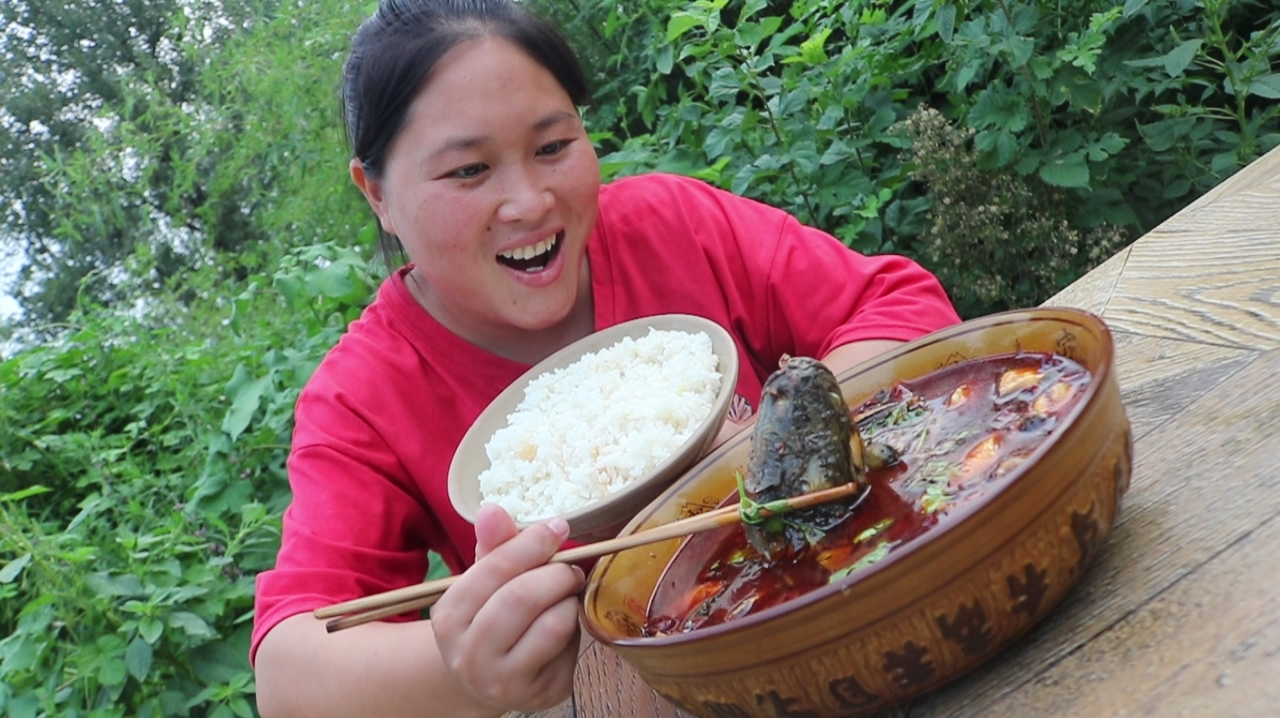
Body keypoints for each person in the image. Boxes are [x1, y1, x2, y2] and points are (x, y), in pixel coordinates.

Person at [251, 0, 961, 715]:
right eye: (468, 171)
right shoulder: (362, 395)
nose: (528, 201)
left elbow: (900, 306)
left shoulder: (672, 224)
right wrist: (455, 667)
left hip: (875, 595)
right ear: (377, 194)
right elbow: (288, 674)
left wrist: (772, 448)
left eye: (553, 147)